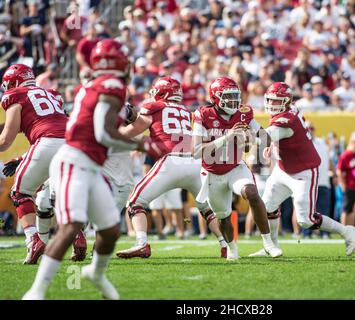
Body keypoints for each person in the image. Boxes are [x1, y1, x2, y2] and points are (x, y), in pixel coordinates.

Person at [23, 39, 147, 300]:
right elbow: (104, 134)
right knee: (71, 226)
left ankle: (96, 274)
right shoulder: (111, 86)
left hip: (89, 165)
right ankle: (36, 292)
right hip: (74, 163)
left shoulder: (90, 85)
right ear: (118, 63)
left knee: (111, 230)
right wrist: (144, 146)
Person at [116, 77, 227, 259]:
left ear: (161, 92)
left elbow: (133, 131)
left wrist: (116, 129)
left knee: (135, 203)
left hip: (171, 162)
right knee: (206, 208)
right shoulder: (184, 110)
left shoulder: (154, 107)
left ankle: (141, 243)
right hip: (193, 162)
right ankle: (225, 244)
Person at [249, 83, 355, 257]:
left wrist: (250, 120)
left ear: (286, 102)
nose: (271, 104)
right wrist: (274, 145)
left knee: (305, 220)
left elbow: (262, 138)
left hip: (303, 172)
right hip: (284, 169)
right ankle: (271, 246)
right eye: (269, 100)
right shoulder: (289, 110)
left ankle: (347, 232)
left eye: (276, 101)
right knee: (267, 206)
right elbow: (276, 136)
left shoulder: (287, 120)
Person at [0, 63, 85, 264]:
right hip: (73, 145)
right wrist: (22, 158)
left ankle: (33, 240)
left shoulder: (15, 96)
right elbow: (53, 127)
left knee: (21, 192)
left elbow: (6, 140)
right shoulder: (52, 94)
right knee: (58, 194)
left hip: (47, 143)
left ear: (12, 82)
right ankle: (76, 234)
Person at [192, 76, 282, 260]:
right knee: (224, 217)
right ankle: (232, 248)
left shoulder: (244, 113)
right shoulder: (203, 114)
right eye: (228, 96)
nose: (233, 101)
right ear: (215, 98)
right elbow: (196, 151)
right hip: (212, 173)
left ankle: (268, 242)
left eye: (235, 96)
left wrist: (252, 137)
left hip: (235, 167)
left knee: (252, 194)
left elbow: (264, 137)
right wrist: (227, 137)